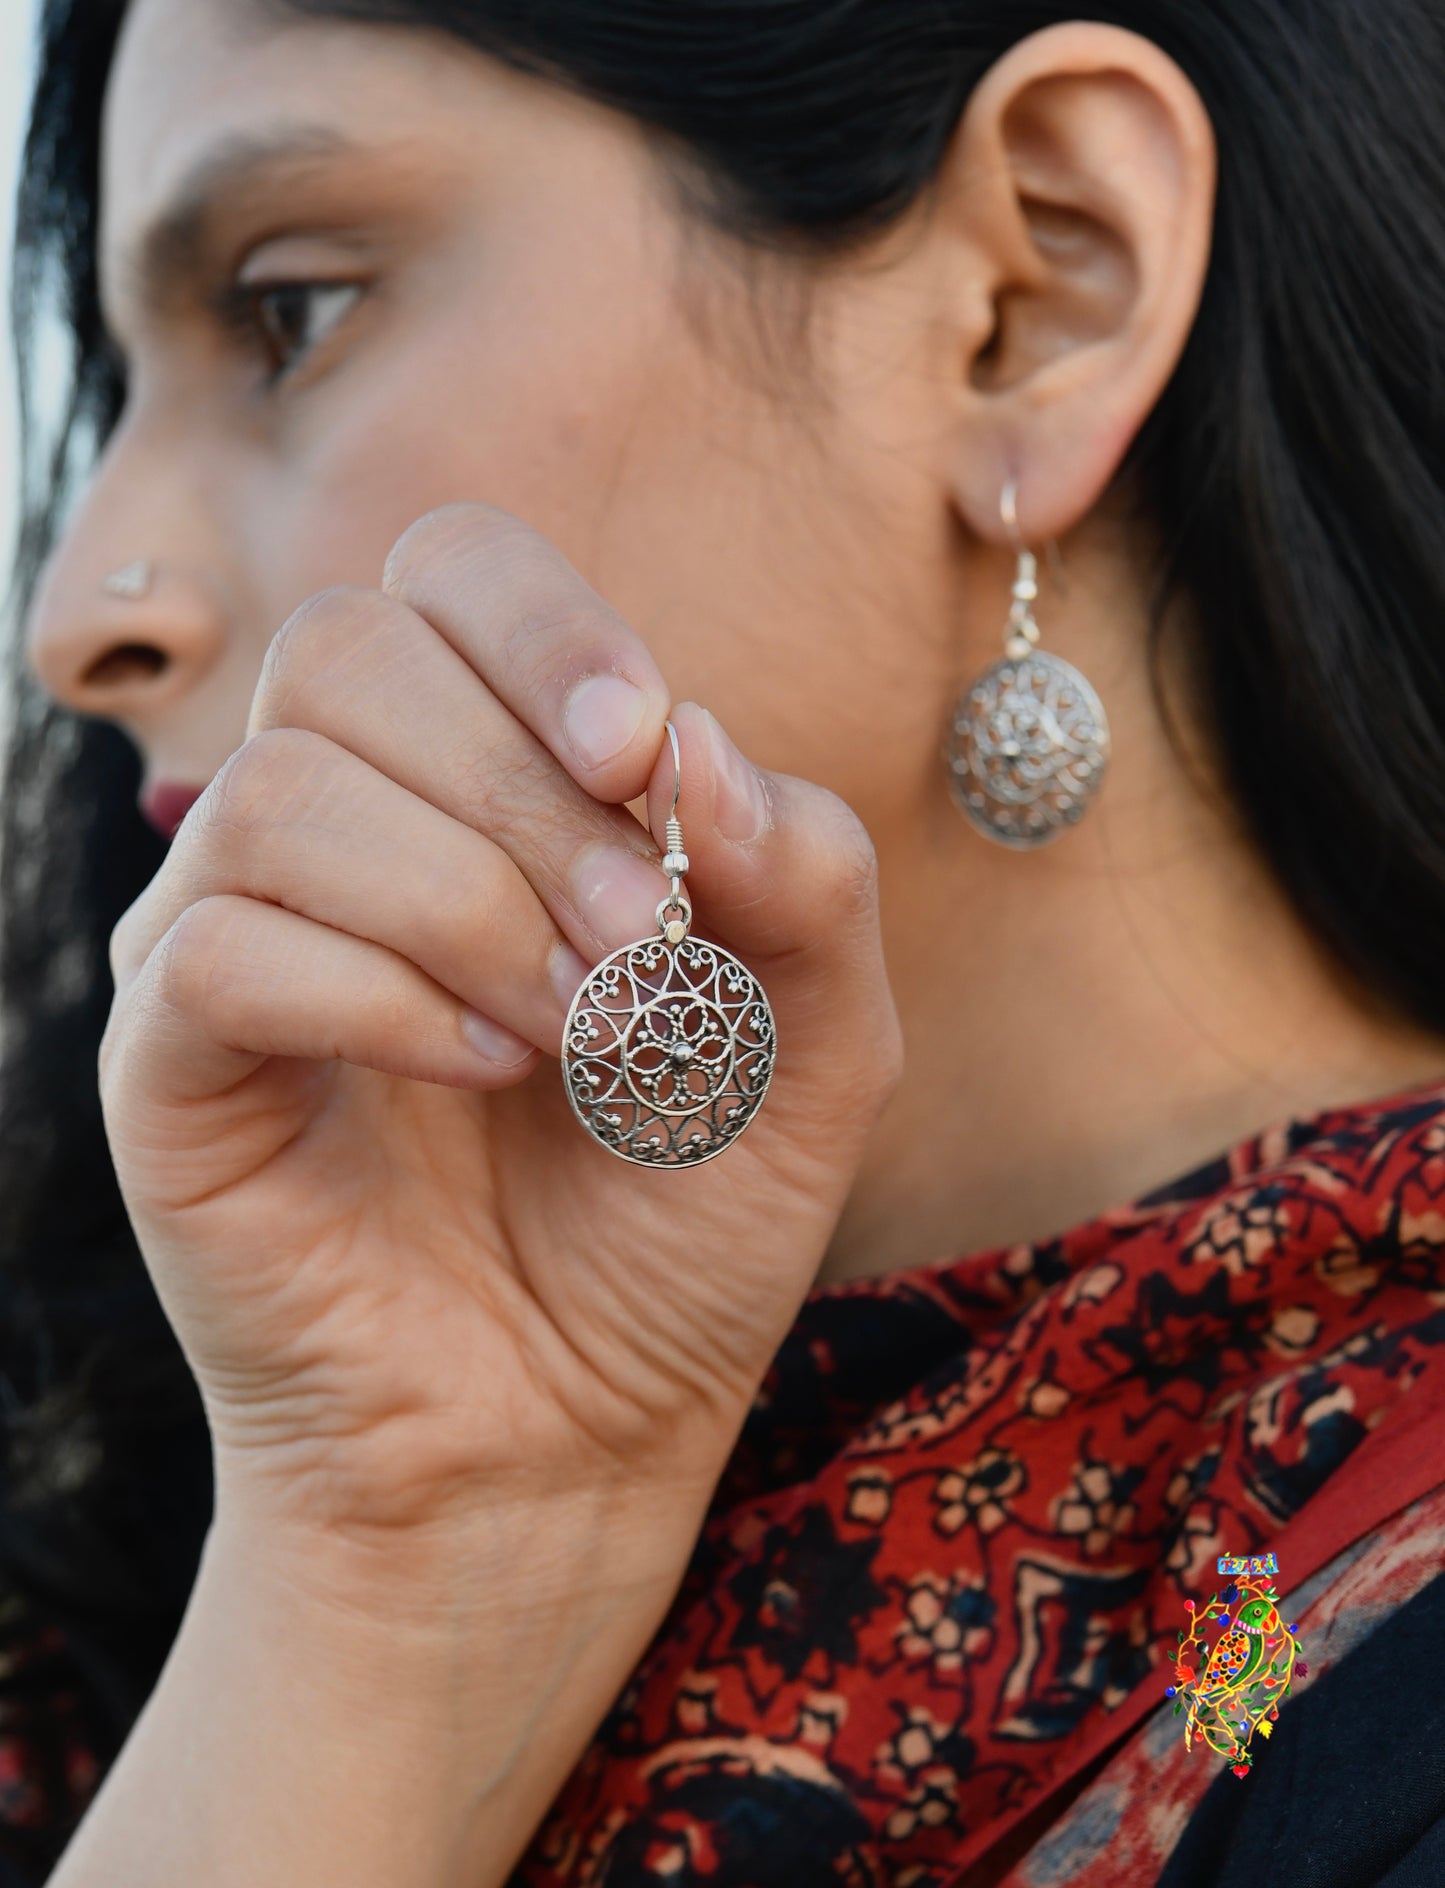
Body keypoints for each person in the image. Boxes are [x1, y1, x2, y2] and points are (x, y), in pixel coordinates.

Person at [3, 0, 1445, 1881]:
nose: (83, 606)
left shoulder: (1293, 1641)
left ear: (1033, 292)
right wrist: (395, 1576)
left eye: (291, 307)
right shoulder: (161, 1528)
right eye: (116, 386)